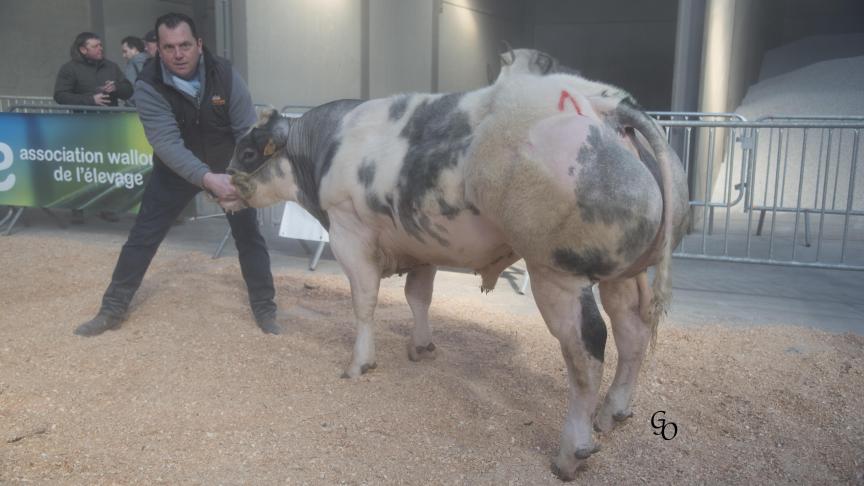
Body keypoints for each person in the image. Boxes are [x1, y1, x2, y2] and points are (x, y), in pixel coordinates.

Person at [74, 12, 280, 337]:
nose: (178, 54)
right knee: (143, 237)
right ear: (157, 49)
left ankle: (266, 310)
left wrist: (242, 177)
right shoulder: (148, 85)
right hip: (174, 172)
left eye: (185, 45)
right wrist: (205, 178)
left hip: (228, 166)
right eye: (169, 47)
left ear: (198, 44)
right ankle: (112, 309)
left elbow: (245, 130)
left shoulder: (225, 74)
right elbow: (166, 142)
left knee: (249, 237)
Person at [54, 32, 132, 223]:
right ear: (83, 49)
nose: (101, 48)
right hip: (82, 127)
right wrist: (90, 100)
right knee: (82, 168)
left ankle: (108, 207)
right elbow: (61, 95)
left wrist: (117, 88)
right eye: (95, 46)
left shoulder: (111, 66)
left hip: (109, 126)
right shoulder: (69, 69)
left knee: (109, 167)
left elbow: (129, 89)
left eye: (100, 45)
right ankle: (78, 208)